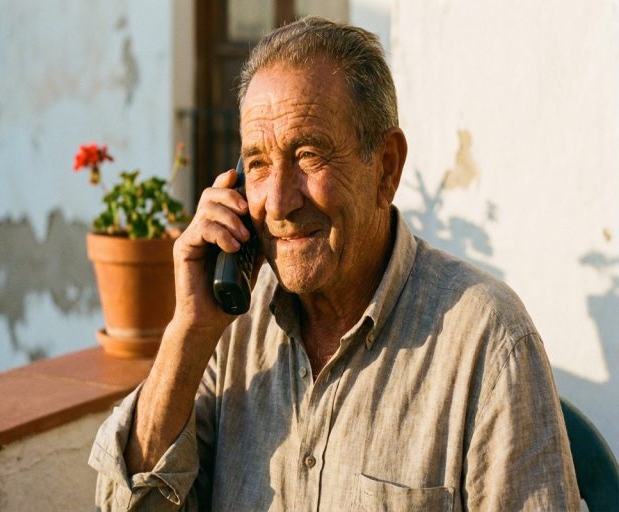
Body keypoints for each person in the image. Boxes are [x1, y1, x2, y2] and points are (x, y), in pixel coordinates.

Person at [89, 17, 579, 511]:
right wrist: (188, 333)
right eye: (257, 164)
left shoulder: (487, 340)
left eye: (308, 155)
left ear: (385, 167)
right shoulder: (231, 329)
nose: (277, 203)